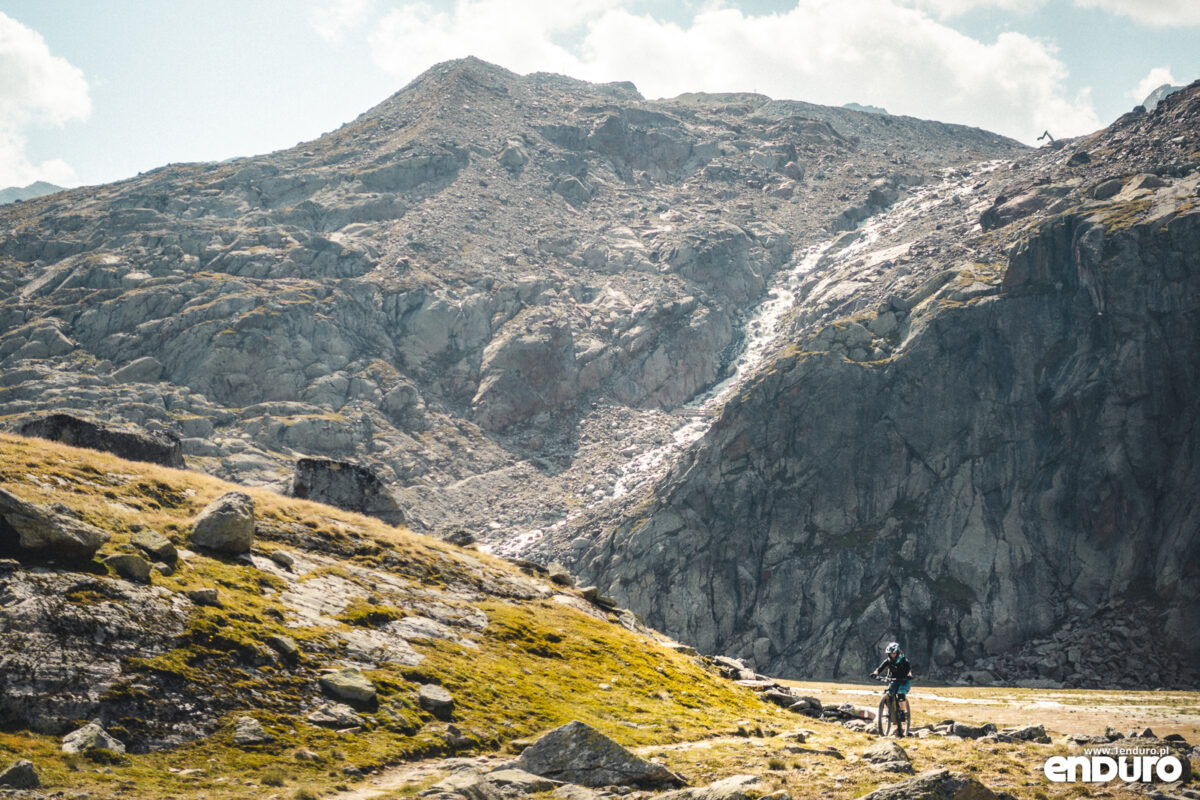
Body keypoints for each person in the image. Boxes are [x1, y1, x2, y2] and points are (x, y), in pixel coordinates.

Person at [872, 641, 913, 736]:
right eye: (890, 653)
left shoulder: (903, 660)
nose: (892, 655)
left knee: (901, 694)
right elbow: (880, 668)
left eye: (894, 653)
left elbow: (909, 670)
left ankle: (902, 712)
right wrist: (875, 673)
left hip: (904, 681)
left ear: (898, 652)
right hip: (893, 680)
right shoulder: (888, 661)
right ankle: (891, 713)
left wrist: (909, 676)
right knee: (888, 695)